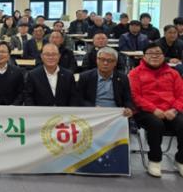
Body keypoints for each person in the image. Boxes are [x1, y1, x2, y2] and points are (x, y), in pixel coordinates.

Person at [129, 43, 183, 178]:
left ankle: (180, 160)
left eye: (158, 53)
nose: (154, 56)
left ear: (164, 56)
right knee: (156, 124)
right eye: (150, 53)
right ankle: (155, 160)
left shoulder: (173, 73)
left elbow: (181, 95)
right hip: (145, 111)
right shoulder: (135, 73)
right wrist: (153, 109)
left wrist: (174, 109)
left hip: (171, 110)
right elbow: (135, 96)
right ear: (144, 56)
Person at [77, 47, 134, 116]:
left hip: (116, 114)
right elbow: (79, 99)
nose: (105, 63)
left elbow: (127, 99)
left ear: (115, 63)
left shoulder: (122, 78)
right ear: (97, 60)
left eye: (109, 60)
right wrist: (92, 107)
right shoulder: (85, 77)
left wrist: (129, 108)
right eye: (102, 59)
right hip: (93, 113)